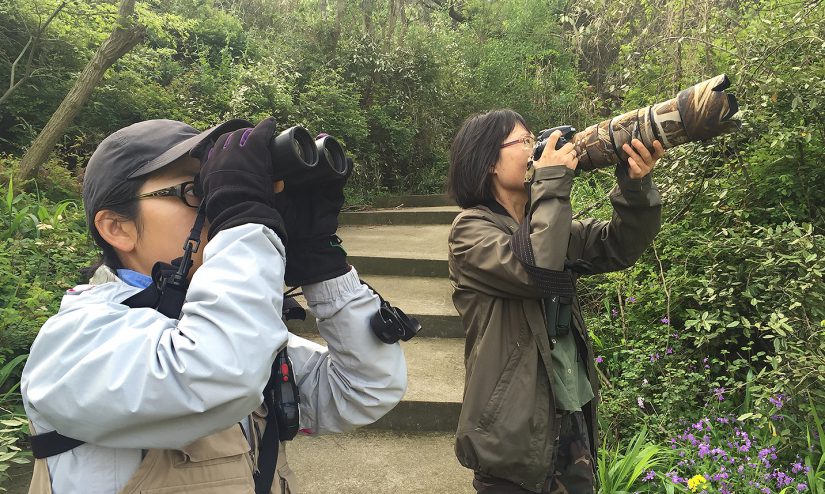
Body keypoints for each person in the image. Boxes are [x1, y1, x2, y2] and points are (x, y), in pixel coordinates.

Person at [20, 117, 407, 493]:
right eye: (196, 192)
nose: (217, 210)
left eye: (218, 191)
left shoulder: (222, 326)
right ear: (117, 228)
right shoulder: (73, 343)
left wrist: (321, 263)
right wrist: (244, 218)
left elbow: (362, 388)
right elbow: (218, 374)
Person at [446, 109, 664, 493]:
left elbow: (618, 246)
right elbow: (537, 269)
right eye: (525, 141)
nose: (537, 149)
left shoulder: (550, 223)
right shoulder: (469, 232)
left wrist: (635, 186)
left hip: (570, 419)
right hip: (511, 435)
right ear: (488, 162)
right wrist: (552, 182)